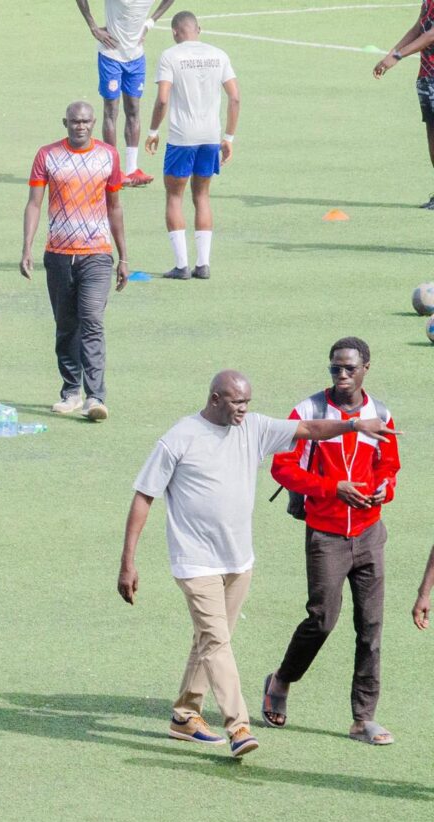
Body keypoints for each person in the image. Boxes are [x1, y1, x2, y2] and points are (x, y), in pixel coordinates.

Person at [118, 370, 397, 758]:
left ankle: (184, 715)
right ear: (215, 399)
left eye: (247, 402)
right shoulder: (180, 437)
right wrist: (127, 562)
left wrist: (352, 425)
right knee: (216, 642)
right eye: (237, 402)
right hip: (195, 562)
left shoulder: (253, 427)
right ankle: (238, 726)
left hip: (238, 560)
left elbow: (309, 429)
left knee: (211, 640)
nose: (243, 409)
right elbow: (144, 496)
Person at [263, 339, 399, 745]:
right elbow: (282, 468)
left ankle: (363, 718)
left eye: (349, 369)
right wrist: (331, 489)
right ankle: (281, 680)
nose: (341, 375)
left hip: (370, 533)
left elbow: (389, 466)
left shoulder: (381, 415)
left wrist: (384, 490)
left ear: (366, 369)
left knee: (371, 626)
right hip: (326, 534)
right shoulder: (308, 412)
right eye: (335, 368)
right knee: (322, 619)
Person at [20, 102, 129, 421]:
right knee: (66, 325)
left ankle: (95, 397)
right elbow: (34, 204)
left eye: (85, 121)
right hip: (58, 255)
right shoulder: (47, 156)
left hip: (97, 254)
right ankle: (71, 392)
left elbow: (115, 207)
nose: (80, 126)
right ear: (65, 122)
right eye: (74, 121)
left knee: (92, 320)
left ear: (93, 123)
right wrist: (27, 247)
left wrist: (123, 256)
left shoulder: (108, 156)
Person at [145, 12, 238, 279]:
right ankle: (203, 264)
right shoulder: (219, 55)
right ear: (199, 28)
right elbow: (235, 98)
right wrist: (228, 137)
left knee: (175, 197)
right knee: (202, 196)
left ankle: (181, 265)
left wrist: (153, 131)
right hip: (210, 137)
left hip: (181, 138)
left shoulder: (170, 56)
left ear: (175, 32)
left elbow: (163, 99)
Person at [74, 0, 177, 186]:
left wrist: (150, 23)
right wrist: (93, 27)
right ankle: (113, 171)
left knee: (133, 109)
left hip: (136, 57)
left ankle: (131, 169)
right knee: (111, 110)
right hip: (111, 56)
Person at [373, 0, 434, 207]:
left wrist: (398, 56)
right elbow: (419, 27)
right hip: (427, 76)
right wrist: (391, 54)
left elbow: (431, 34)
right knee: (432, 137)